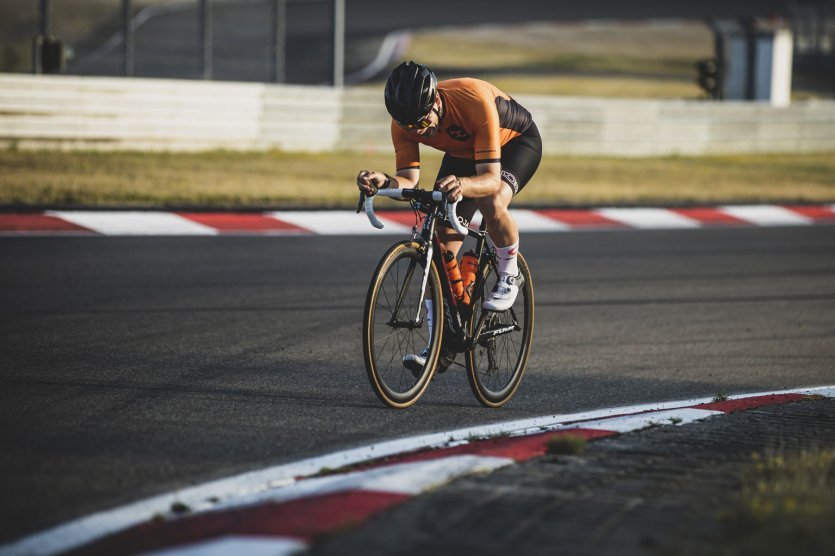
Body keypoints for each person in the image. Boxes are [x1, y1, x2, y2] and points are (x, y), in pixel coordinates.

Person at [356, 61, 542, 372]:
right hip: (464, 155)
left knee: (492, 200)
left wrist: (466, 185)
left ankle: (510, 271)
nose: (418, 131)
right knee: (441, 248)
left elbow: (491, 179)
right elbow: (409, 179)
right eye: (410, 126)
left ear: (436, 101)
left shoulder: (472, 101)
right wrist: (385, 182)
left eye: (422, 122)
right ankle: (442, 341)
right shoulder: (403, 122)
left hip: (515, 145)